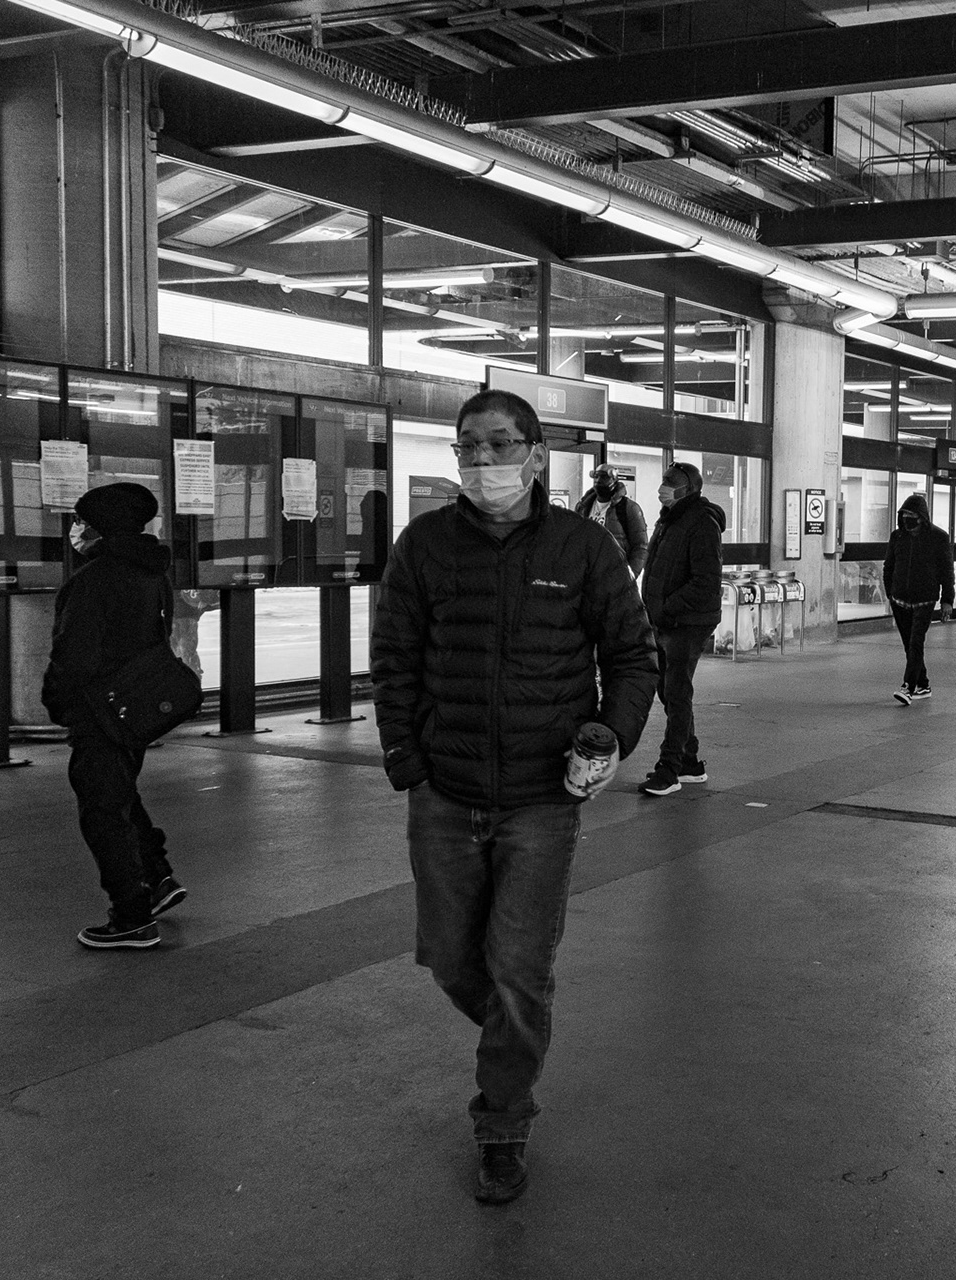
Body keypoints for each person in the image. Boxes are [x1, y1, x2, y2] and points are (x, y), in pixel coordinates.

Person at [371, 388, 659, 1205]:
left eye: (499, 444)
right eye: (468, 445)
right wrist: (407, 761)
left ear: (535, 455)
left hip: (541, 798)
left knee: (520, 969)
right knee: (451, 959)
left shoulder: (582, 547)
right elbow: (393, 657)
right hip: (443, 793)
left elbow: (632, 656)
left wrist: (611, 734)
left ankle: (502, 1122)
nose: (482, 460)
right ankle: (515, 1033)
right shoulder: (425, 545)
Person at [41, 482, 184, 950]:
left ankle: (131, 918)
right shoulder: (151, 573)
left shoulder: (94, 580)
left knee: (103, 812)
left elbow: (73, 656)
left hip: (98, 711)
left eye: (82, 521)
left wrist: (57, 703)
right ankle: (157, 878)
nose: (76, 530)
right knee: (120, 794)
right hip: (134, 708)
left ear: (103, 526)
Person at [637, 461, 725, 796]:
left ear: (687, 489)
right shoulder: (668, 519)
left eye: (669, 482)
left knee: (676, 692)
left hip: (688, 622)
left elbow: (706, 581)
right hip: (664, 620)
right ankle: (689, 762)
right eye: (663, 481)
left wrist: (667, 606)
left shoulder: (701, 523)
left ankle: (670, 769)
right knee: (668, 690)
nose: (662, 488)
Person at [882, 493, 955, 705]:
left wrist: (947, 600)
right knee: (909, 645)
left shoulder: (939, 538)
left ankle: (908, 687)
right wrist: (890, 593)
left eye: (912, 517)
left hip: (925, 600)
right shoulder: (897, 537)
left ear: (922, 518)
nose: (908, 521)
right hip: (900, 600)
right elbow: (889, 566)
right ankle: (923, 684)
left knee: (916, 642)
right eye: (904, 516)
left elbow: (946, 571)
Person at [574, 463, 649, 577]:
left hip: (614, 575)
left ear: (614, 480)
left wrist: (630, 576)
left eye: (604, 477)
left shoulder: (628, 508)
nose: (598, 481)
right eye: (596, 476)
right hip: (586, 576)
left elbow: (640, 546)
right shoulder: (583, 506)